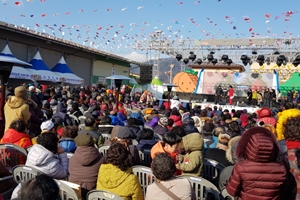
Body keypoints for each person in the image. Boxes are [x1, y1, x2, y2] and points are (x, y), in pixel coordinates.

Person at [226, 127, 288, 199]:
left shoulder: (241, 167)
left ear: (248, 147)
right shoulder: (281, 168)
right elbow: (284, 191)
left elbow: (232, 191)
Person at [11, 132, 69, 199]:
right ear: (54, 146)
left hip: (25, 188)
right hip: (42, 193)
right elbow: (64, 173)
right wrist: (62, 154)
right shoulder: (52, 165)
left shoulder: (32, 151)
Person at [69, 133, 102, 199]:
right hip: (94, 195)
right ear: (92, 143)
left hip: (75, 193)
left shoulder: (72, 159)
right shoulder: (102, 159)